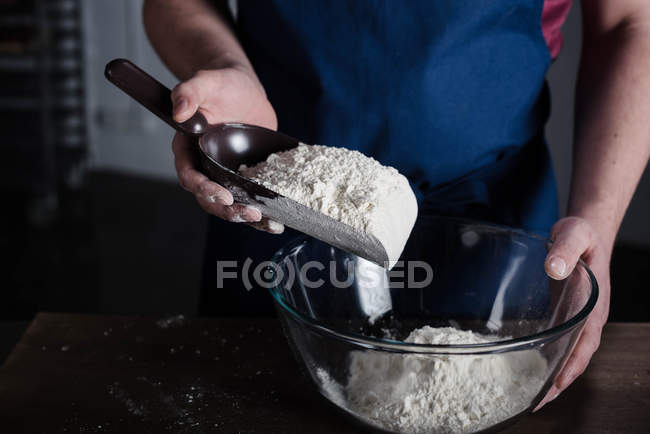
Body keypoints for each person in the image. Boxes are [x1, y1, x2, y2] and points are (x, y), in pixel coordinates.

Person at [143, 0, 650, 409]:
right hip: (278, 207)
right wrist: (220, 65)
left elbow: (630, 20)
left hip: (498, 231)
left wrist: (599, 224)